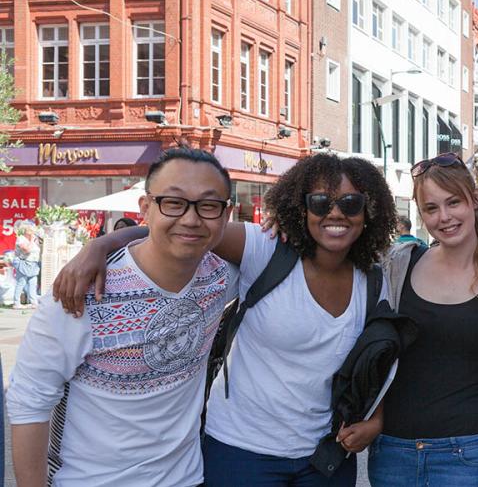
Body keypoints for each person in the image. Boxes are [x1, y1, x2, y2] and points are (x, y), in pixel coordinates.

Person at [51, 153, 397, 486]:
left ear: (368, 211)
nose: (335, 213)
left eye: (350, 203)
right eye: (320, 202)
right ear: (301, 208)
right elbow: (184, 231)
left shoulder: (373, 280)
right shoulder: (266, 248)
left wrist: (376, 420)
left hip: (324, 457)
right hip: (241, 453)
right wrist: (101, 246)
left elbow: (376, 360)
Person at [7, 148, 239, 486]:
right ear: (145, 208)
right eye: (173, 202)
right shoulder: (79, 295)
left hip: (186, 478)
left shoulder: (220, 276)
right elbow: (30, 402)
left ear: (226, 213)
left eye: (208, 205)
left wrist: (105, 241)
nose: (191, 219)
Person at [369, 152, 478, 487]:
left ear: (473, 201)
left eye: (453, 202)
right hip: (392, 452)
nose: (444, 217)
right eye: (431, 208)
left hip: (465, 454)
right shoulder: (399, 264)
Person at [11, 222, 41, 309]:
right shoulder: (21, 239)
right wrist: (31, 240)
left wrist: (35, 240)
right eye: (30, 229)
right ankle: (16, 303)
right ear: (26, 231)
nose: (32, 231)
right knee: (21, 282)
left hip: (34, 264)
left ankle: (34, 302)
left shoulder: (35, 240)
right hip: (24, 263)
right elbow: (27, 250)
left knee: (33, 283)